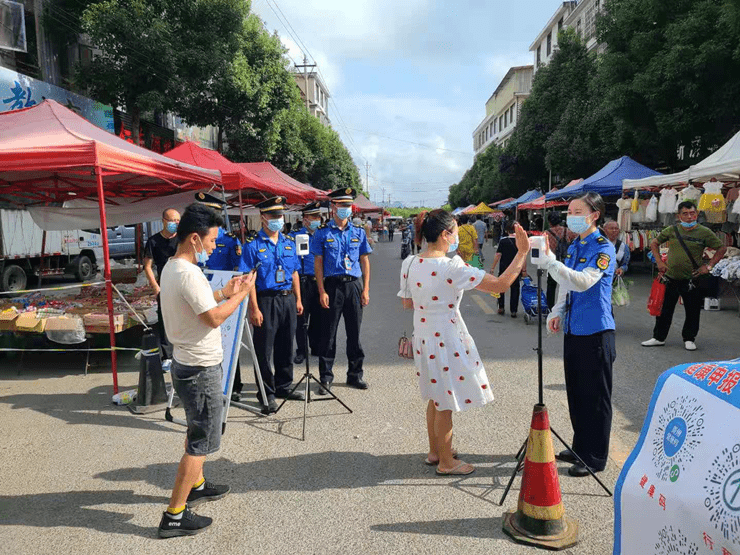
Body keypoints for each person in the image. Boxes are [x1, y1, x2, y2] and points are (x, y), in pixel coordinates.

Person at [399, 210, 530, 475]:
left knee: (435, 397)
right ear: (446, 235)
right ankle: (447, 463)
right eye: (456, 231)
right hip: (446, 338)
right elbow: (501, 284)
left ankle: (436, 451)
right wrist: (522, 253)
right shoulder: (451, 267)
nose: (458, 236)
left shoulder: (410, 263)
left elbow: (407, 302)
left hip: (423, 336)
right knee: (445, 401)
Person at [157, 203, 256, 538]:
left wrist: (223, 292)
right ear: (195, 239)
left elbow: (200, 303)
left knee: (195, 427)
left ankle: (196, 485)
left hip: (187, 361)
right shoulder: (187, 272)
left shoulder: (173, 268)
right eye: (212, 240)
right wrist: (240, 296)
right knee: (200, 441)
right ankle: (174, 515)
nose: (215, 246)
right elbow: (213, 317)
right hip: (199, 368)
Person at [538, 192, 617, 477]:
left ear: (594, 215)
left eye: (577, 210)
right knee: (577, 392)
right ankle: (580, 446)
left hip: (596, 331)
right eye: (569, 210)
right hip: (574, 328)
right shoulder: (575, 245)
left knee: (596, 397)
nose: (571, 215)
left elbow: (583, 282)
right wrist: (557, 311)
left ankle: (595, 457)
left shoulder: (602, 248)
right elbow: (566, 285)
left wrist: (550, 263)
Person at [241, 196, 304, 414]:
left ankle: (283, 386)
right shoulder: (252, 246)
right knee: (264, 350)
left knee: (286, 346)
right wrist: (254, 308)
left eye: (280, 215)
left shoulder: (288, 242)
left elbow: (294, 271)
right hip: (265, 300)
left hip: (287, 299)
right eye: (273, 216)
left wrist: (298, 298)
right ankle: (266, 393)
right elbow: (248, 280)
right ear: (263, 218)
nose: (278, 219)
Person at [641, 201, 726, 351]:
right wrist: (659, 261)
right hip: (670, 277)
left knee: (692, 311)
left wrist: (709, 266)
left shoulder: (704, 232)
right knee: (665, 309)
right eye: (685, 214)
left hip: (692, 278)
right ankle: (658, 337)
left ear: (697, 214)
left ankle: (689, 338)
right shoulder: (672, 230)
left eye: (692, 213)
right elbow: (654, 243)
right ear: (678, 216)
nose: (689, 217)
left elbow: (721, 248)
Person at [312, 187, 372, 393]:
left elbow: (364, 261)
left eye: (348, 205)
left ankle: (355, 375)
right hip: (333, 286)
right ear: (333, 207)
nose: (346, 209)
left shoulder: (358, 232)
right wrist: (321, 291)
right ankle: (325, 377)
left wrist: (365, 289)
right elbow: (318, 264)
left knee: (354, 333)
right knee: (328, 334)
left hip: (354, 285)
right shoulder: (322, 233)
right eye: (342, 205)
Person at [144, 208, 180, 359]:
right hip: (164, 286)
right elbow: (147, 266)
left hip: (181, 283)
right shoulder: (153, 241)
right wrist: (155, 286)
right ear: (163, 221)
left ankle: (182, 351)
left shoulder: (182, 239)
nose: (175, 224)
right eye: (172, 220)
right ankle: (167, 355)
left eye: (178, 221)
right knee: (165, 320)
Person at [289, 201, 322, 365]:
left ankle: (315, 346)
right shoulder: (296, 236)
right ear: (305, 219)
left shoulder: (322, 234)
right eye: (312, 217)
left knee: (318, 317)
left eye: (318, 216)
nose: (316, 219)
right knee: (301, 318)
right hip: (302, 281)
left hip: (320, 282)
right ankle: (301, 350)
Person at [491, 221, 523, 317]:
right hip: (516, 269)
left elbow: (498, 255)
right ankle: (513, 310)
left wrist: (493, 268)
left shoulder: (503, 241)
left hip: (504, 268)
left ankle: (501, 307)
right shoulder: (520, 241)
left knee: (501, 287)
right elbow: (523, 257)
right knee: (515, 289)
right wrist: (524, 270)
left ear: (506, 230)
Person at [545, 211, 569, 309]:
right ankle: (565, 307)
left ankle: (550, 308)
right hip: (566, 262)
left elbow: (544, 249)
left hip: (553, 263)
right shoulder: (568, 231)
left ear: (549, 222)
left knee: (551, 286)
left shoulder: (546, 234)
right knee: (567, 286)